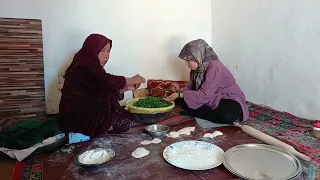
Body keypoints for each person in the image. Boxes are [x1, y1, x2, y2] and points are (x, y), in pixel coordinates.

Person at [59, 34, 145, 138]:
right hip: (73, 119)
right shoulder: (82, 66)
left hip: (82, 113)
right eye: (102, 50)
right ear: (92, 50)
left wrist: (126, 88)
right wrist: (133, 79)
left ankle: (105, 125)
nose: (106, 55)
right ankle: (97, 129)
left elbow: (103, 85)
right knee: (109, 102)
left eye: (108, 51)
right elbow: (107, 81)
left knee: (125, 118)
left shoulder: (93, 68)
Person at [165, 39, 249, 124]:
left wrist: (180, 94)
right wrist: (179, 90)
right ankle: (202, 112)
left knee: (227, 115)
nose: (186, 64)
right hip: (211, 97)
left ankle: (196, 112)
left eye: (188, 60)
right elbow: (191, 88)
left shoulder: (215, 67)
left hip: (228, 97)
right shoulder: (197, 68)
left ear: (197, 56)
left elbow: (204, 94)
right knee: (179, 99)